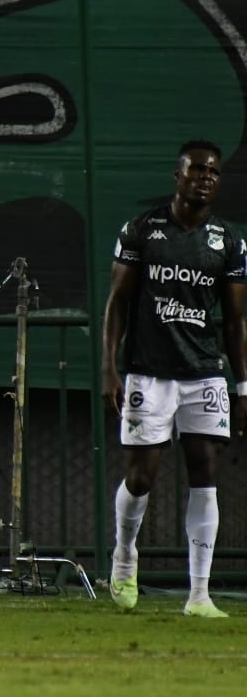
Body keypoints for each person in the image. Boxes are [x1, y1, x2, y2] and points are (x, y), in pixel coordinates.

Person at [102, 140, 245, 618]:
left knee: (205, 474)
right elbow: (117, 303)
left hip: (205, 373)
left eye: (213, 172)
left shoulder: (230, 241)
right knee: (143, 476)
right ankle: (124, 554)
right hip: (150, 372)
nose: (205, 177)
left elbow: (234, 323)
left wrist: (242, 386)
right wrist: (109, 367)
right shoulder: (141, 230)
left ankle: (198, 595)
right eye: (196, 169)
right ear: (177, 175)